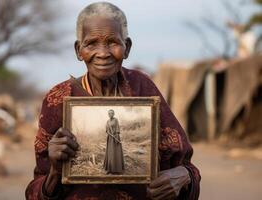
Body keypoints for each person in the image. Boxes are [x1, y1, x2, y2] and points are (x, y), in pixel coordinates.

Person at [25, 2, 200, 200]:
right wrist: (56, 171)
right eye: (91, 43)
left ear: (127, 48)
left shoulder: (142, 88)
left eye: (112, 42)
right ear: (78, 50)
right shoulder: (58, 99)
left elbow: (187, 167)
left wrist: (182, 177)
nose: (103, 53)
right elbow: (35, 193)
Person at [104, 109, 124, 174]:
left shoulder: (116, 120)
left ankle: (117, 170)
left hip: (116, 138)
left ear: (114, 114)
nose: (110, 114)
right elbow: (106, 130)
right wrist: (109, 133)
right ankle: (110, 169)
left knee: (116, 153)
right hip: (110, 139)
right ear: (108, 114)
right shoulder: (107, 121)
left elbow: (118, 129)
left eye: (112, 113)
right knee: (110, 153)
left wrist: (116, 137)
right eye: (109, 113)